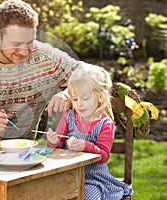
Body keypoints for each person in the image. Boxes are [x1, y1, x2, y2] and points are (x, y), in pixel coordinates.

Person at [0, 0, 78, 140]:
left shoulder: (44, 56)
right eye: (16, 44)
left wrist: (69, 93)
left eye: (29, 42)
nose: (25, 51)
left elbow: (92, 73)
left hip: (25, 154)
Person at [46, 62, 133, 199]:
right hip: (67, 175)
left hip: (92, 179)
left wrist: (85, 146)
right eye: (75, 99)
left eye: (85, 98)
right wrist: (53, 142)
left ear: (100, 97)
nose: (79, 104)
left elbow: (103, 156)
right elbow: (58, 147)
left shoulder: (105, 124)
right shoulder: (69, 117)